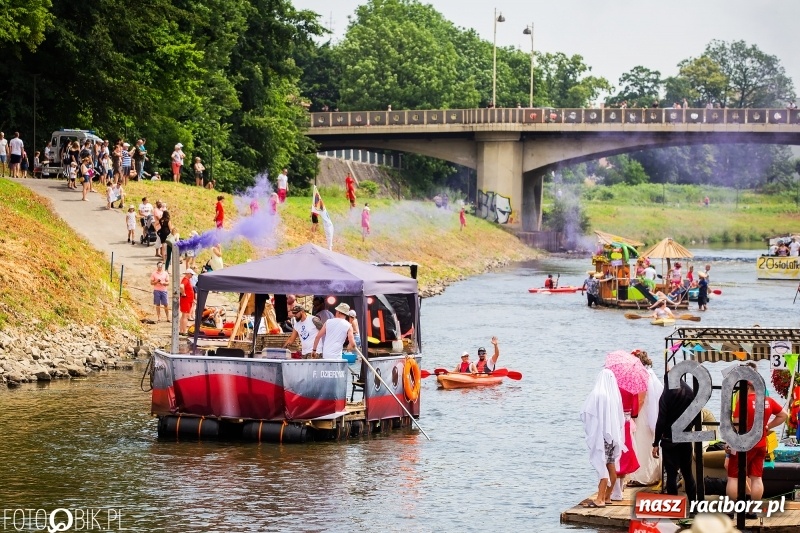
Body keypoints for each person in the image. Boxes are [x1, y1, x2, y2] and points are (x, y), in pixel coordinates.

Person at [725, 365, 788, 503]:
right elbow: (784, 415)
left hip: (743, 442)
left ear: (747, 387)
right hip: (761, 443)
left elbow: (736, 424)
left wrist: (729, 443)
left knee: (733, 477)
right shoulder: (768, 400)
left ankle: (732, 508)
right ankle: (753, 510)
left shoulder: (743, 401)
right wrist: (767, 426)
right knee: (756, 478)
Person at [580, 369, 625, 508]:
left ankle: (599, 499)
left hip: (601, 436)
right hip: (612, 435)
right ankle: (607, 496)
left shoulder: (597, 394)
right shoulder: (614, 396)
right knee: (610, 464)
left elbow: (586, 412)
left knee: (601, 464)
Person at [652, 379, 698, 501]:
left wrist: (656, 442)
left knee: (671, 475)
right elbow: (696, 414)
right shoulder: (690, 391)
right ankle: (694, 507)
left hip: (669, 439)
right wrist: (689, 428)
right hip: (685, 437)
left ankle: (674, 508)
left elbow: (661, 420)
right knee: (688, 474)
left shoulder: (667, 393)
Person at [627, 350, 664, 487]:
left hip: (642, 414)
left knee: (641, 443)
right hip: (649, 413)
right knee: (647, 442)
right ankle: (651, 474)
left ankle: (643, 477)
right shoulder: (649, 374)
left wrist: (633, 415)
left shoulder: (642, 376)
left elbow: (641, 399)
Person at [179, 269, 195, 335]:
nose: (192, 275)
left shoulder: (186, 280)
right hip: (186, 300)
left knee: (183, 316)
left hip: (187, 300)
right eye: (191, 274)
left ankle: (181, 330)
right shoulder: (185, 280)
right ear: (188, 274)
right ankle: (184, 331)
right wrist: (183, 293)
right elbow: (181, 286)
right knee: (185, 316)